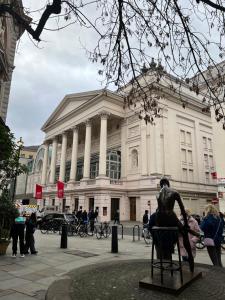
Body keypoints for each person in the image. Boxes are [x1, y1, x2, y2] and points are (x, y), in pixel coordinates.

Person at [154, 177, 199, 272]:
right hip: (170, 216)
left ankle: (166, 250)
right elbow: (182, 209)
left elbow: (158, 209)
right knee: (185, 235)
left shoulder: (158, 194)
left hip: (159, 219)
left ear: (161, 184)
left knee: (166, 233)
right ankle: (191, 263)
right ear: (168, 183)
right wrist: (186, 225)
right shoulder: (174, 192)